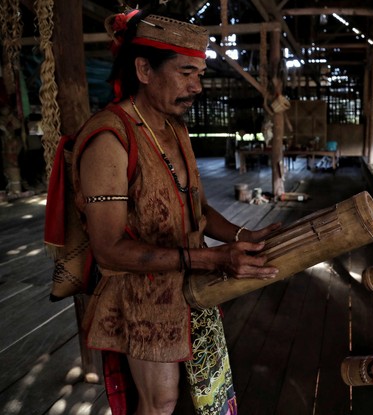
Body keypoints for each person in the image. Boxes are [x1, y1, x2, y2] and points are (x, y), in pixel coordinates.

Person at [71, 9, 280, 415]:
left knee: (208, 390)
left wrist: (241, 236)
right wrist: (213, 258)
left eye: (199, 74)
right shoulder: (109, 139)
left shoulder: (173, 126)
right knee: (159, 403)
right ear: (144, 69)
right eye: (187, 72)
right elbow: (110, 249)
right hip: (140, 297)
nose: (197, 86)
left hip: (189, 286)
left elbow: (195, 204)